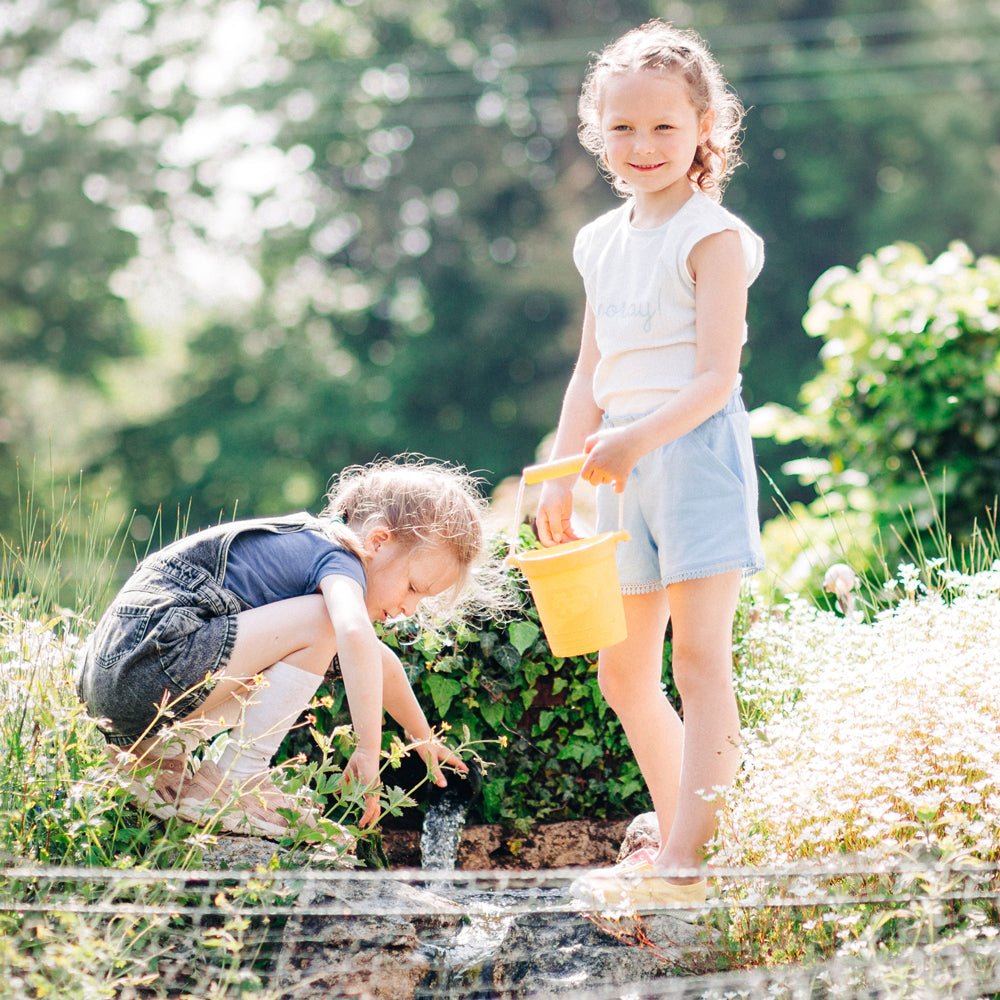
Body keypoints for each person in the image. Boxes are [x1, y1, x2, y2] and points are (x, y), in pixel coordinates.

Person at [535, 20, 765, 908]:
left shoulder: (713, 237)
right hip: (615, 462)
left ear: (706, 126)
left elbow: (716, 378)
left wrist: (633, 442)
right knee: (623, 670)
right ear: (598, 131)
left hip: (694, 454)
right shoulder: (600, 240)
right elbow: (592, 369)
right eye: (623, 128)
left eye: (665, 127)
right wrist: (563, 469)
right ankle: (685, 833)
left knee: (700, 661)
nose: (643, 146)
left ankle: (692, 856)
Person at [78, 456, 505, 839]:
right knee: (327, 622)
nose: (410, 608)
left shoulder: (311, 547)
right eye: (413, 587)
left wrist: (421, 737)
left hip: (115, 682)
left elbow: (380, 660)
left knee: (333, 631)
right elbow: (354, 633)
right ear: (378, 541)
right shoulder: (340, 559)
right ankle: (234, 778)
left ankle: (151, 757)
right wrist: (367, 749)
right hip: (153, 666)